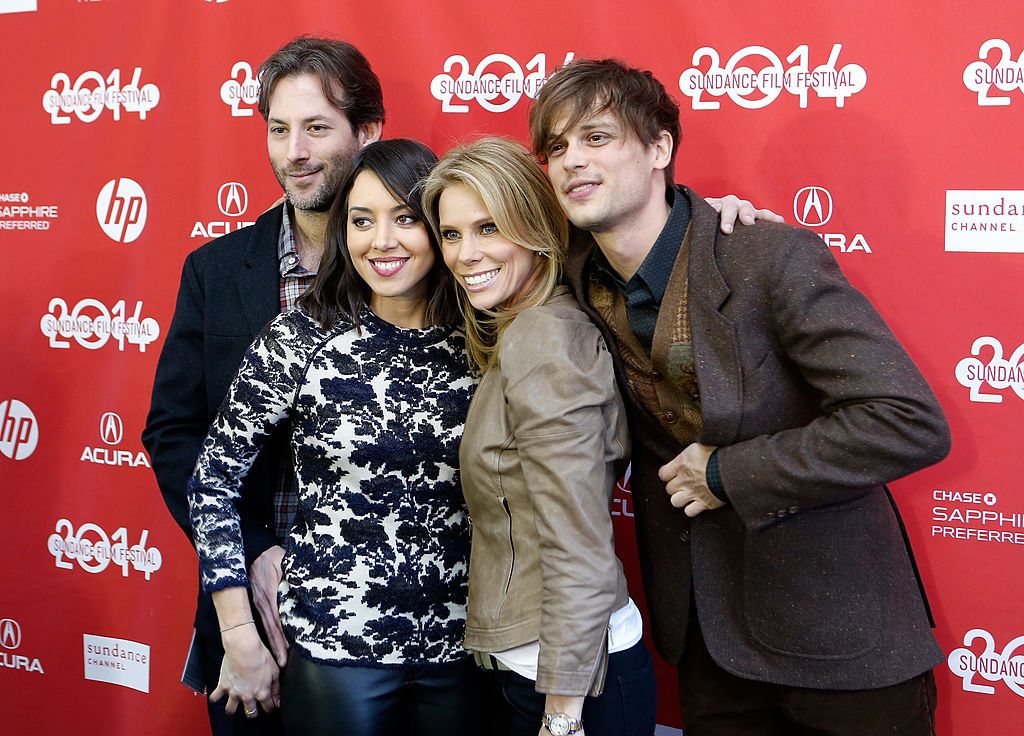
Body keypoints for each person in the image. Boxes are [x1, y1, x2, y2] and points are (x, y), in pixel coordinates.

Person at [528, 58, 952, 735]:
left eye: (596, 138)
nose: (571, 160)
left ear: (659, 148)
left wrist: (729, 471)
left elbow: (906, 420)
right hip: (710, 645)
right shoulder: (573, 273)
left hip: (839, 639)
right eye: (554, 147)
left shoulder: (765, 256)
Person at [188, 138, 480, 735]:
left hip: (470, 651)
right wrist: (238, 628)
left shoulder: (485, 338)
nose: (383, 241)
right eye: (362, 221)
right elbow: (212, 479)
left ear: (440, 228)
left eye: (406, 219)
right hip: (335, 649)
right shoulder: (300, 337)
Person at [142, 36, 383, 734]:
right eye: (279, 129)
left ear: (367, 132)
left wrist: (708, 219)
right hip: (248, 624)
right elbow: (174, 432)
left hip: (386, 626)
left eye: (316, 128)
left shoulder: (418, 262)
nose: (294, 152)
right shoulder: (216, 271)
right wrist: (250, 552)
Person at [421, 136, 657, 736]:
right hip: (539, 666)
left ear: (532, 230)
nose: (465, 254)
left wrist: (562, 717)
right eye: (451, 234)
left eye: (489, 228)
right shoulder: (524, 327)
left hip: (570, 683)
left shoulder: (543, 338)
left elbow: (578, 542)